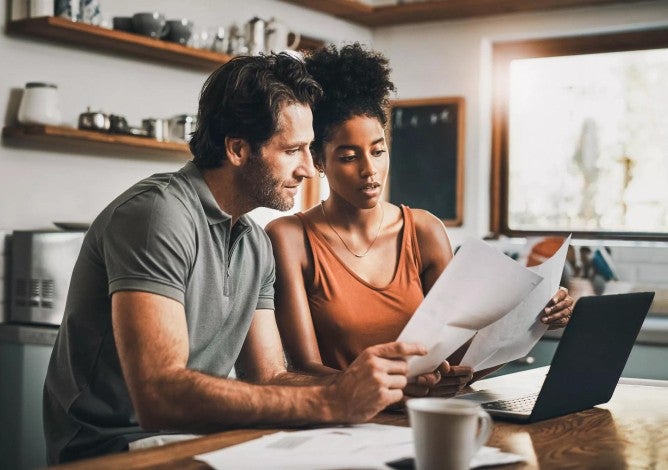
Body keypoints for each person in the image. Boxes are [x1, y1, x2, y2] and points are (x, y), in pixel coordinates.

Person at [43, 52, 427, 464]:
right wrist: (332, 403)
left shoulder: (253, 242)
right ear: (239, 148)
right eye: (293, 150)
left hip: (193, 441)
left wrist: (368, 386)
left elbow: (270, 378)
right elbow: (159, 395)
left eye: (309, 149)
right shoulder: (158, 215)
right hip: (110, 450)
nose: (308, 170)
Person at [266, 43, 574, 398]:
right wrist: (394, 387)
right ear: (318, 160)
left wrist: (535, 320)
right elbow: (303, 369)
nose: (370, 170)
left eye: (378, 151)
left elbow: (460, 357)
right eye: (349, 157)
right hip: (342, 424)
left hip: (425, 418)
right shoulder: (289, 238)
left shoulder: (424, 231)